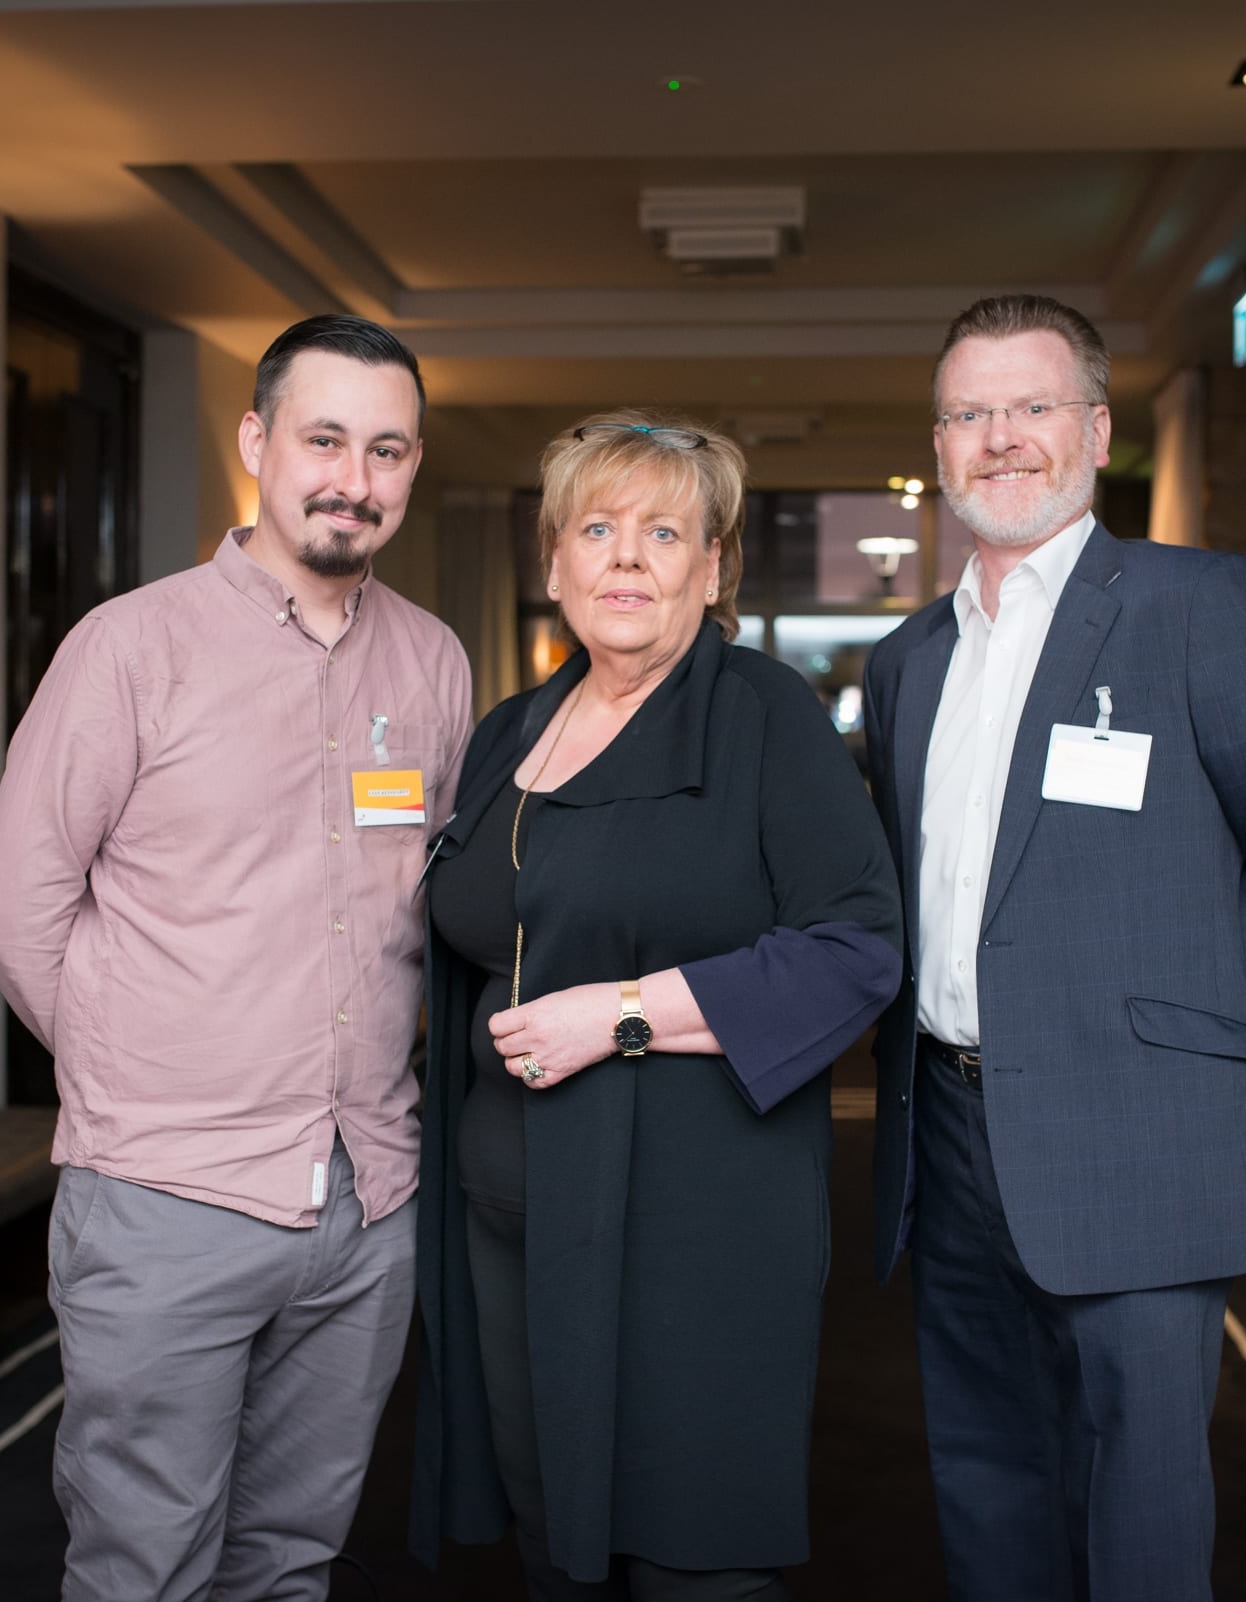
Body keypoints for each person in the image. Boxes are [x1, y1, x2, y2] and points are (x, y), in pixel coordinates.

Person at [861, 295, 1246, 1602]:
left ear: (1094, 427)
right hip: (954, 1138)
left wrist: (1223, 1072)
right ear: (938, 443)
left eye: (1032, 406)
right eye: (971, 413)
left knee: (1142, 1514)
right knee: (987, 1485)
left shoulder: (1196, 606)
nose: (1003, 438)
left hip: (1145, 1144)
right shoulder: (908, 660)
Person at [0, 314, 471, 1602]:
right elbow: (14, 906)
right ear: (257, 442)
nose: (354, 478)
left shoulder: (433, 661)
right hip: (165, 1200)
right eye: (324, 439)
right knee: (146, 1569)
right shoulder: (131, 648)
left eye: (388, 449)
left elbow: (434, 898)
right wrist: (144, 1071)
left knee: (290, 1563)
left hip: (365, 1201)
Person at [411, 412, 902, 1600]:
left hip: (694, 1226)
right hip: (511, 1220)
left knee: (692, 1558)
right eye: (597, 528)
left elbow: (857, 951)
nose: (627, 558)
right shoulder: (506, 734)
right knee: (554, 1545)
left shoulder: (763, 717)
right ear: (554, 564)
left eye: (664, 532)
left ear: (713, 567)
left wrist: (619, 1014)